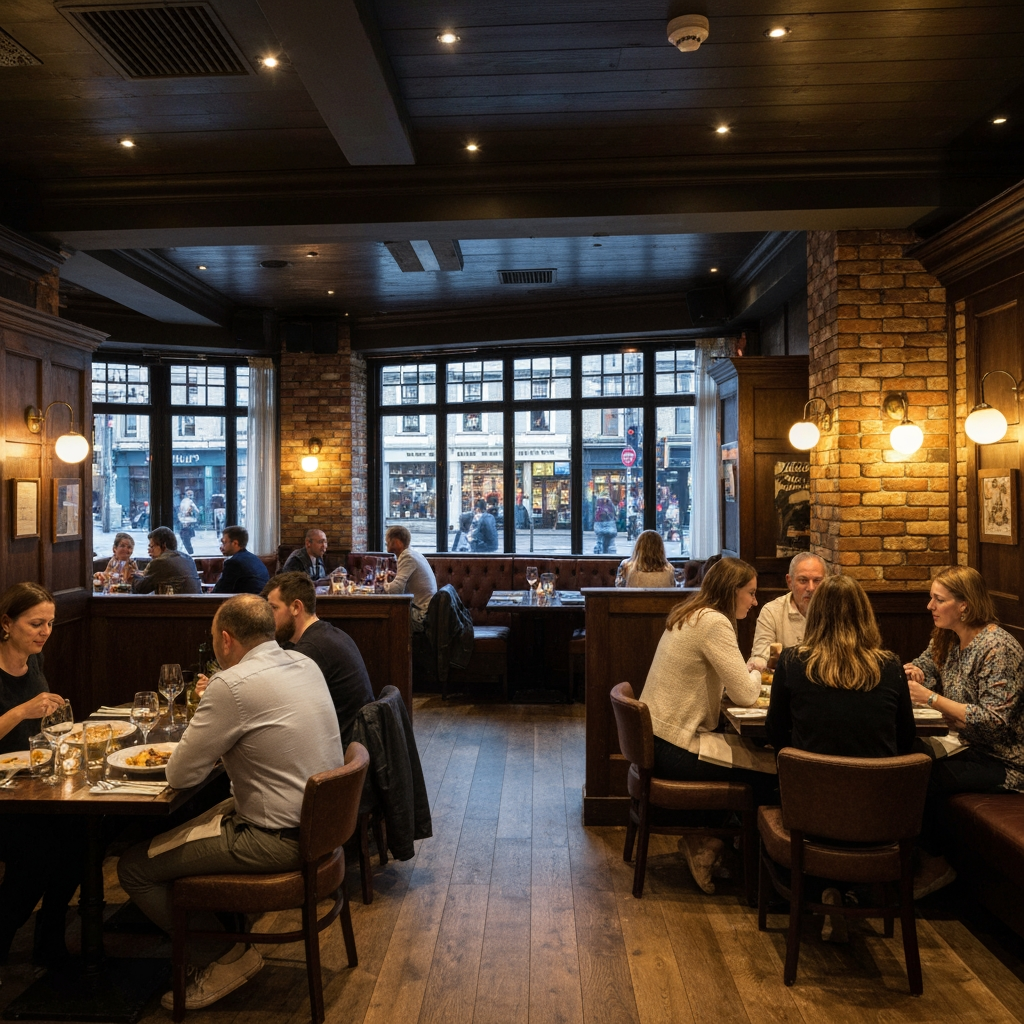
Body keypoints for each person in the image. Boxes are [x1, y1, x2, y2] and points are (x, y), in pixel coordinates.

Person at [117, 594, 344, 1011]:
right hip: (322, 829)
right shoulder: (303, 663)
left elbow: (180, 775)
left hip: (275, 839)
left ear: (225, 639)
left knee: (133, 867)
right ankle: (221, 933)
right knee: (185, 828)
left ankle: (223, 956)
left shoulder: (231, 684)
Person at [765, 574, 916, 941]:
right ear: (866, 616)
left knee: (771, 788)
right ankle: (852, 894)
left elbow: (774, 734)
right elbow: (906, 739)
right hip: (877, 818)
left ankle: (813, 893)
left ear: (816, 616)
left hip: (809, 815)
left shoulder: (793, 662)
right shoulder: (891, 666)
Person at [638, 557, 767, 893]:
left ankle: (710, 843)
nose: (754, 602)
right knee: (767, 774)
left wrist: (744, 675)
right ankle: (728, 858)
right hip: (674, 749)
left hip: (657, 741)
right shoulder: (714, 622)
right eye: (751, 593)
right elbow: (745, 694)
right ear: (732, 591)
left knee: (757, 763)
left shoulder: (693, 612)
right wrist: (757, 668)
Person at [904, 566, 1024, 899]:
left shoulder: (997, 648)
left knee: (922, 776)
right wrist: (915, 672)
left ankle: (933, 864)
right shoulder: (946, 636)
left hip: (1005, 762)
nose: (929, 606)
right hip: (967, 746)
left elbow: (995, 721)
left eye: (938, 599)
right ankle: (897, 864)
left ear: (964, 606)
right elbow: (925, 665)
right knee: (907, 756)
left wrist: (931, 698)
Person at [0, 583, 81, 966]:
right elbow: (23, 716)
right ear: (6, 623)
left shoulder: (34, 659)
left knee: (80, 840)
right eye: (36, 624)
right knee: (38, 854)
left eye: (50, 623)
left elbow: (38, 729)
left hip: (30, 782)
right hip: (4, 794)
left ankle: (49, 937)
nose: (45, 632)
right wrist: (21, 711)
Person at [262, 573, 374, 745]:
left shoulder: (311, 651)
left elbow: (276, 705)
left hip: (342, 753)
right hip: (355, 744)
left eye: (274, 608)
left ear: (296, 607)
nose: (269, 618)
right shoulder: (327, 634)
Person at [747, 552, 827, 672]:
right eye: (803, 580)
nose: (811, 588)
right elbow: (761, 655)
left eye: (817, 580)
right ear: (790, 582)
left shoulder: (835, 610)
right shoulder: (772, 612)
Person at [384, 525, 437, 632]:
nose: (386, 545)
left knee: (383, 615)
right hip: (428, 613)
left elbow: (395, 590)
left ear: (397, 542)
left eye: (387, 541)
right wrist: (394, 577)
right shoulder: (414, 554)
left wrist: (382, 581)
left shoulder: (407, 557)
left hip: (421, 617)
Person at [132, 526, 202, 594]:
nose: (149, 550)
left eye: (152, 546)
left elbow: (140, 589)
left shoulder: (160, 562)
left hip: (178, 601)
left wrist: (132, 576)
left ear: (163, 545)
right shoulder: (188, 558)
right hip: (197, 601)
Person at [213, 526, 270, 595]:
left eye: (224, 543)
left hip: (247, 600)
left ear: (235, 543)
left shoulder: (234, 563)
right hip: (260, 599)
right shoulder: (254, 558)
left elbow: (221, 591)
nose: (221, 547)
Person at [178, 488, 199, 555]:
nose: (191, 495)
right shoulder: (189, 501)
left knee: (185, 537)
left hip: (184, 520)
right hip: (187, 520)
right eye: (190, 494)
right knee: (186, 537)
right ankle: (189, 551)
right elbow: (197, 511)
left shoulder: (183, 501)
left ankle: (187, 550)